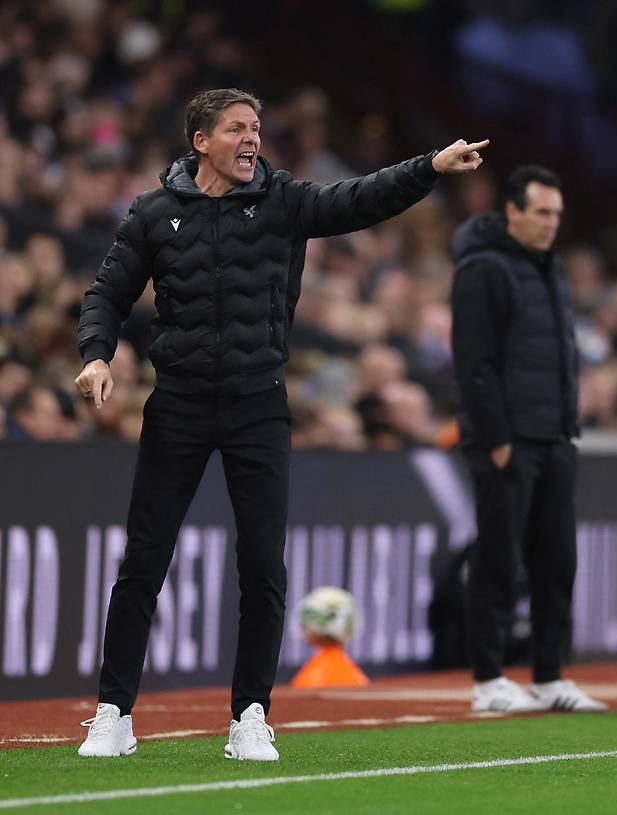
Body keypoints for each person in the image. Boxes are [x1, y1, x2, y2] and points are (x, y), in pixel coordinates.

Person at [74, 87, 489, 760]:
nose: (252, 139)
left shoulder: (284, 200)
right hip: (176, 403)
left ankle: (250, 714)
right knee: (143, 561)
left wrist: (429, 167)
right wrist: (95, 355)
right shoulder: (154, 212)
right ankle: (114, 711)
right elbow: (106, 293)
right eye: (238, 128)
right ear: (200, 140)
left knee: (263, 563)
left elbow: (358, 199)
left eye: (257, 129)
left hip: (257, 403)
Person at [450, 165, 608, 714]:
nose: (551, 224)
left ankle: (548, 675)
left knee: (556, 560)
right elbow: (474, 362)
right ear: (512, 211)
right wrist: (496, 438)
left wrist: (566, 429)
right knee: (497, 559)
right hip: (507, 439)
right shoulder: (481, 269)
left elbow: (557, 355)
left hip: (553, 437)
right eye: (542, 212)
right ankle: (490, 679)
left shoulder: (551, 269)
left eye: (557, 215)